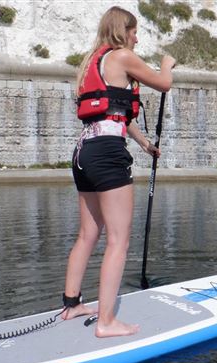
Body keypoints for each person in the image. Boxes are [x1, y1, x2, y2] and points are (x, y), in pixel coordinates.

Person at [61, 6, 176, 338]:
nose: (136, 38)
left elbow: (114, 116)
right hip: (108, 155)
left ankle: (71, 304)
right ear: (122, 31)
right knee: (118, 240)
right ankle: (106, 322)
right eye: (134, 31)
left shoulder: (92, 62)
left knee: (88, 234)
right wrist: (166, 65)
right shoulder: (122, 56)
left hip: (84, 152)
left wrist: (143, 145)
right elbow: (163, 83)